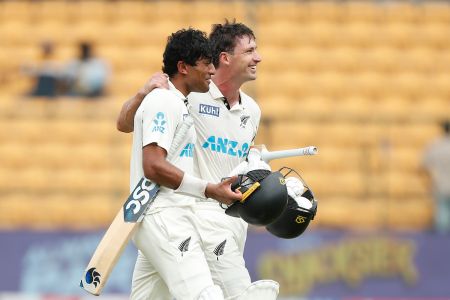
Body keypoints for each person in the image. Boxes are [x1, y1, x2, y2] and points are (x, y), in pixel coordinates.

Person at [117, 21, 280, 299]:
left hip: (212, 216)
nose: (258, 57)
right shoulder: (184, 96)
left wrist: (256, 165)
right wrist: (143, 93)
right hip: (192, 216)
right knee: (219, 294)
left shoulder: (251, 111)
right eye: (250, 50)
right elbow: (127, 127)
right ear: (225, 58)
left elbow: (238, 159)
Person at [129, 28, 242, 300]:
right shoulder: (164, 101)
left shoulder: (177, 102)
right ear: (183, 67)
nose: (212, 70)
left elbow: (125, 123)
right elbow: (153, 166)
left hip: (168, 215)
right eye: (205, 63)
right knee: (204, 295)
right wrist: (210, 189)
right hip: (164, 214)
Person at [422, 120, 450, 234]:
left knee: (442, 214)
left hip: (440, 183)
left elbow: (425, 165)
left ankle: (442, 245)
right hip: (441, 183)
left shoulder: (435, 145)